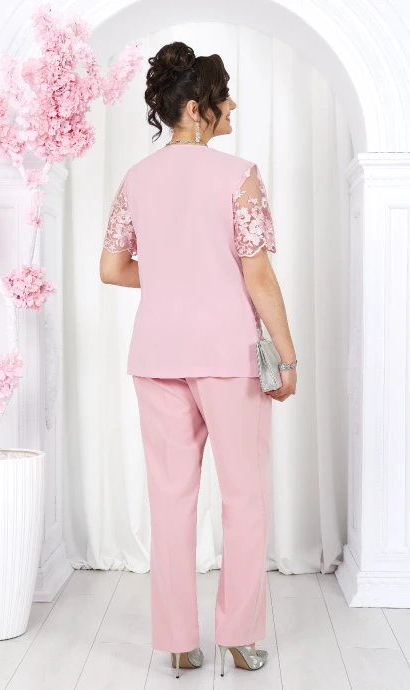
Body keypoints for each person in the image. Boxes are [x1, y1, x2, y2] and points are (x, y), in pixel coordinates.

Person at [99, 41, 297, 678]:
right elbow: (258, 275)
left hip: (156, 353)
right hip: (228, 355)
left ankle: (180, 642)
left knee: (170, 500)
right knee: (244, 498)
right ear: (195, 108)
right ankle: (239, 637)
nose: (231, 105)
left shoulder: (136, 178)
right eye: (222, 96)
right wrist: (288, 356)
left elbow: (112, 269)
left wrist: (171, 274)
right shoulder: (239, 174)